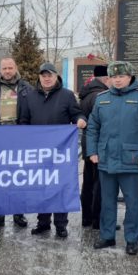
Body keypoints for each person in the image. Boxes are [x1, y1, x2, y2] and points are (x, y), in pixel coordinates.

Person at [87, 61, 138, 255]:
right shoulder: (102, 99)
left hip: (132, 160)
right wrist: (92, 152)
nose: (117, 80)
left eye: (121, 76)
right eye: (114, 77)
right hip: (106, 160)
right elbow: (92, 128)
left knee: (132, 203)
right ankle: (107, 236)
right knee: (107, 201)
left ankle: (132, 239)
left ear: (130, 77)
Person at [19, 62, 87, 238]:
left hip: (60, 152)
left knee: (60, 187)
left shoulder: (67, 95)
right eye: (43, 75)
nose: (47, 78)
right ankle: (43, 223)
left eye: (50, 75)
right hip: (38, 152)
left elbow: (77, 114)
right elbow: (24, 121)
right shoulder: (30, 97)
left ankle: (61, 224)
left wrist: (80, 120)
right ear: (39, 77)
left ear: (56, 76)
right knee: (42, 187)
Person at [0, 57, 32, 229]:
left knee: (18, 177)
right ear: (0, 70)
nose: (8, 71)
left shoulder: (26, 88)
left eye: (10, 68)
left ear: (15, 68)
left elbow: (33, 111)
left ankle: (19, 213)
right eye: (4, 68)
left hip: (19, 137)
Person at [78, 64, 110, 228]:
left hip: (87, 143)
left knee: (88, 182)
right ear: (106, 78)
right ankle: (98, 219)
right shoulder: (100, 95)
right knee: (99, 183)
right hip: (98, 144)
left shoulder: (87, 93)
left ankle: (87, 218)